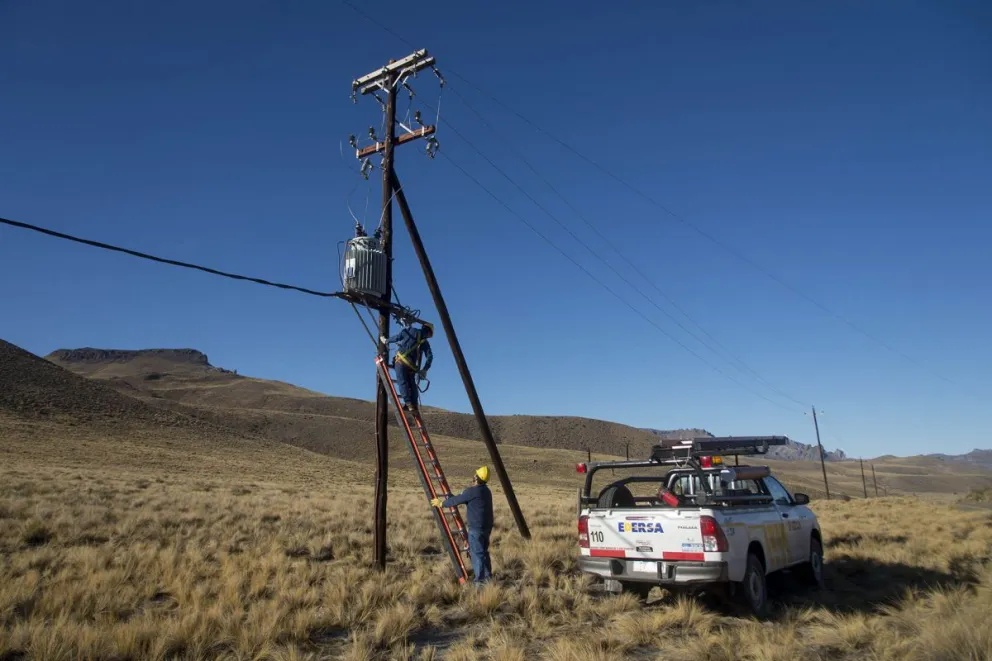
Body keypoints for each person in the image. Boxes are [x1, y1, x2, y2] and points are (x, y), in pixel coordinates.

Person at [431, 466, 493, 584]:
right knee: (484, 552)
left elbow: (456, 501)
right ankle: (488, 578)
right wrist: (451, 498)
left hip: (476, 528)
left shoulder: (472, 491)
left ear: (476, 478)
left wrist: (441, 503)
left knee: (477, 554)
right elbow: (460, 498)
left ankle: (480, 582)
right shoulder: (486, 491)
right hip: (487, 527)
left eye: (475, 474)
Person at [382, 322, 433, 413]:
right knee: (412, 384)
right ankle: (414, 405)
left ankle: (408, 404)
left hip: (401, 361)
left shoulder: (410, 330)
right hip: (412, 366)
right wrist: (425, 369)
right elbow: (429, 357)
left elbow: (397, 337)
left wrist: (386, 341)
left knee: (402, 382)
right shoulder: (425, 342)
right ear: (429, 333)